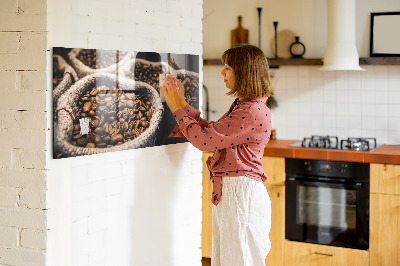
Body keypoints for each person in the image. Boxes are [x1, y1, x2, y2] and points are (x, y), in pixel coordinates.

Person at [161, 44, 273, 266]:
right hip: (236, 193)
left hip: (241, 195)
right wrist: (182, 103)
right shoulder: (246, 106)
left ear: (244, 72)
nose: (222, 72)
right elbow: (212, 133)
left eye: (228, 67)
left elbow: (204, 141)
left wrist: (176, 107)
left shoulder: (250, 111)